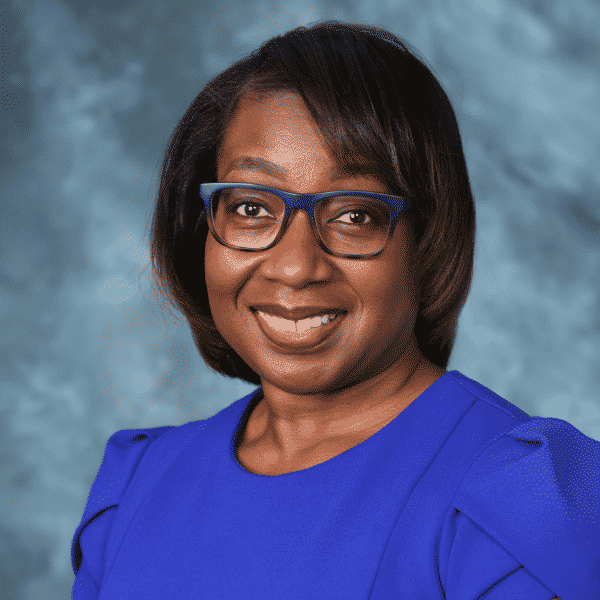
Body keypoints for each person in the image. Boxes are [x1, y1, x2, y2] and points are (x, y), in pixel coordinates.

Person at [71, 21, 598, 599]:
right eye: (250, 208)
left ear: (427, 241)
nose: (295, 267)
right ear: (202, 229)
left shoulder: (517, 507)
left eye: (354, 215)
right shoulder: (138, 487)